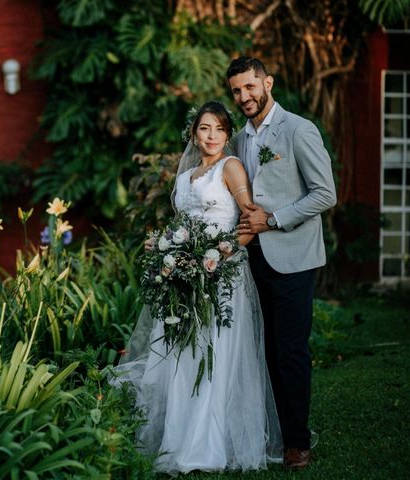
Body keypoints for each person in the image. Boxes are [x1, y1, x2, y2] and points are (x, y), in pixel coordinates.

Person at [111, 101, 283, 474]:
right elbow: (180, 225)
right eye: (205, 129)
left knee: (213, 355)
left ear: (227, 134)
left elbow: (250, 218)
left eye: (220, 129)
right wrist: (170, 256)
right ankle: (177, 436)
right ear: (194, 133)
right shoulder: (185, 176)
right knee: (181, 355)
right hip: (184, 276)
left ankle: (206, 445)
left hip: (221, 278)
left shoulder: (231, 167)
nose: (212, 136)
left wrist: (220, 256)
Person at [227, 56, 337, 470]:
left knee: (289, 350)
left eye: (250, 87)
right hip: (251, 257)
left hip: (292, 255)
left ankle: (297, 441)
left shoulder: (298, 130)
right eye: (237, 90)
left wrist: (272, 220)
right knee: (263, 349)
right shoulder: (239, 139)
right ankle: (271, 429)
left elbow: (325, 194)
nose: (244, 96)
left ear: (267, 83)